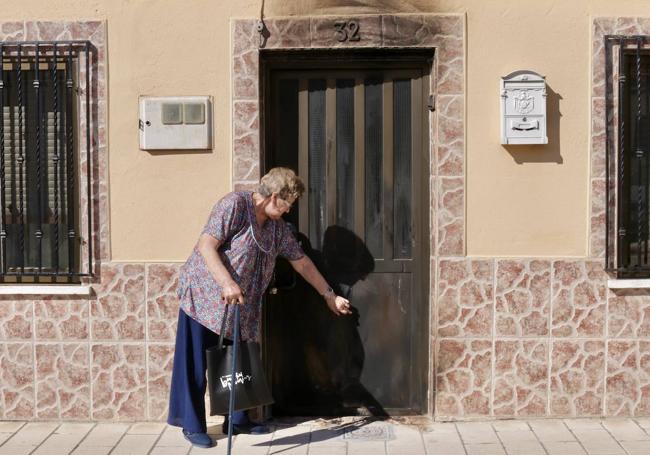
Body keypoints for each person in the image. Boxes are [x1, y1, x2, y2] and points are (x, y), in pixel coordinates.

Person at [167, 167, 352, 448]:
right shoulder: (235, 205)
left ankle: (239, 419)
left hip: (243, 303)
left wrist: (329, 295)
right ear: (274, 197)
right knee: (194, 363)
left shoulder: (276, 229)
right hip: (204, 296)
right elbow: (206, 246)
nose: (289, 211)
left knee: (238, 363)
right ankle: (191, 424)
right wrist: (227, 283)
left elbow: (301, 262)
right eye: (288, 204)